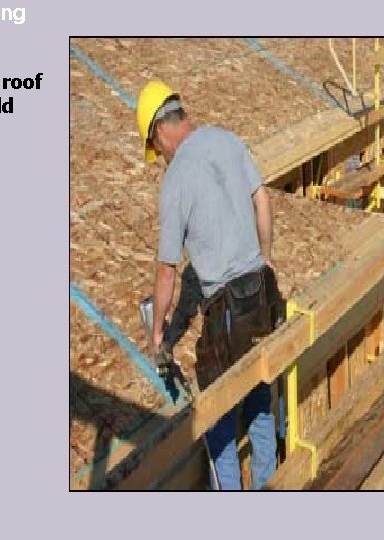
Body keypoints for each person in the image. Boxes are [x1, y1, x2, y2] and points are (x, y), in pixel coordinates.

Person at [136, 80, 283, 490]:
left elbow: (168, 270)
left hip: (227, 308)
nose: (161, 157)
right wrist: (265, 257)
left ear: (159, 132)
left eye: (156, 148)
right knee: (259, 396)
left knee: (216, 413)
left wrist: (159, 331)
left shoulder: (176, 179)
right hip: (262, 292)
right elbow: (262, 198)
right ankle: (269, 486)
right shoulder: (226, 138)